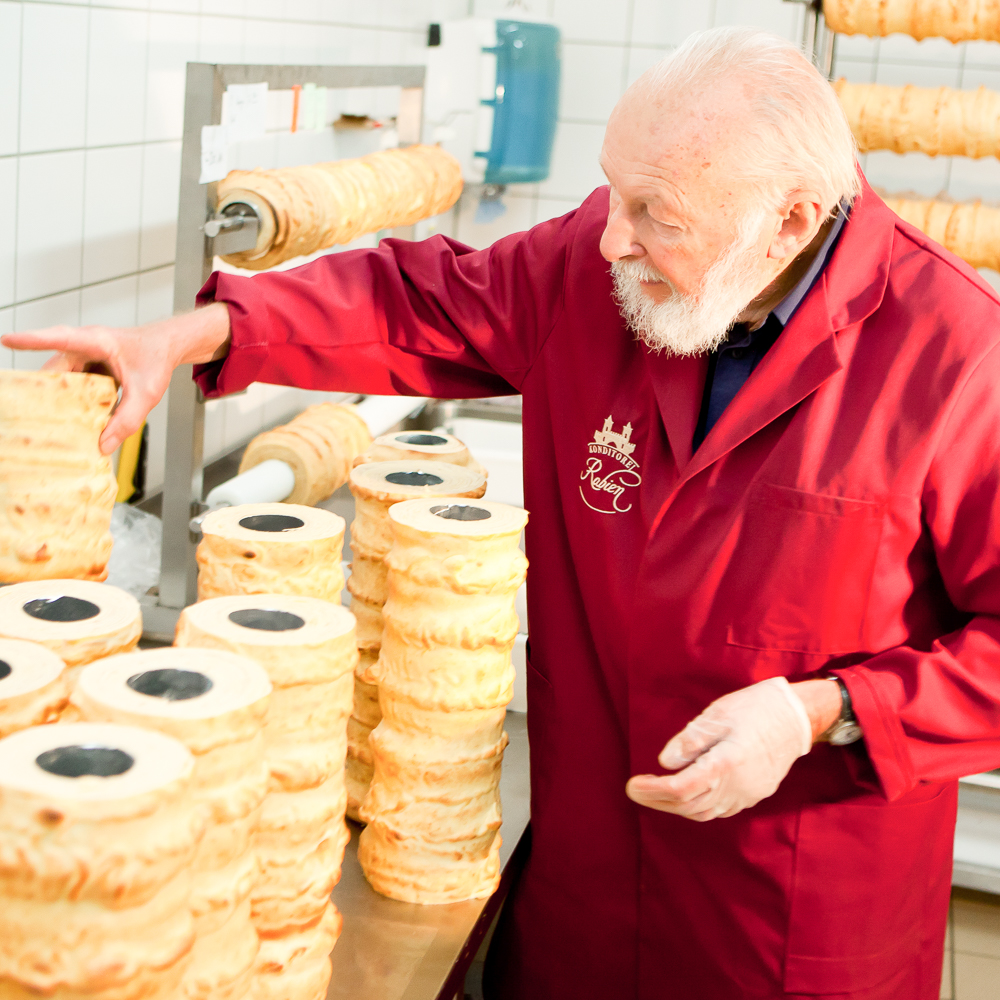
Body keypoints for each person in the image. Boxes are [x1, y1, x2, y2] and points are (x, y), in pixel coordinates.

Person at [7, 26, 1000, 1000]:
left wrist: (820, 713)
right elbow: (418, 305)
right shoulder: (601, 269)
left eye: (654, 214)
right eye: (614, 191)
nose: (611, 237)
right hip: (584, 881)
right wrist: (194, 332)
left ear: (788, 222)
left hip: (786, 912)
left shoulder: (958, 360)